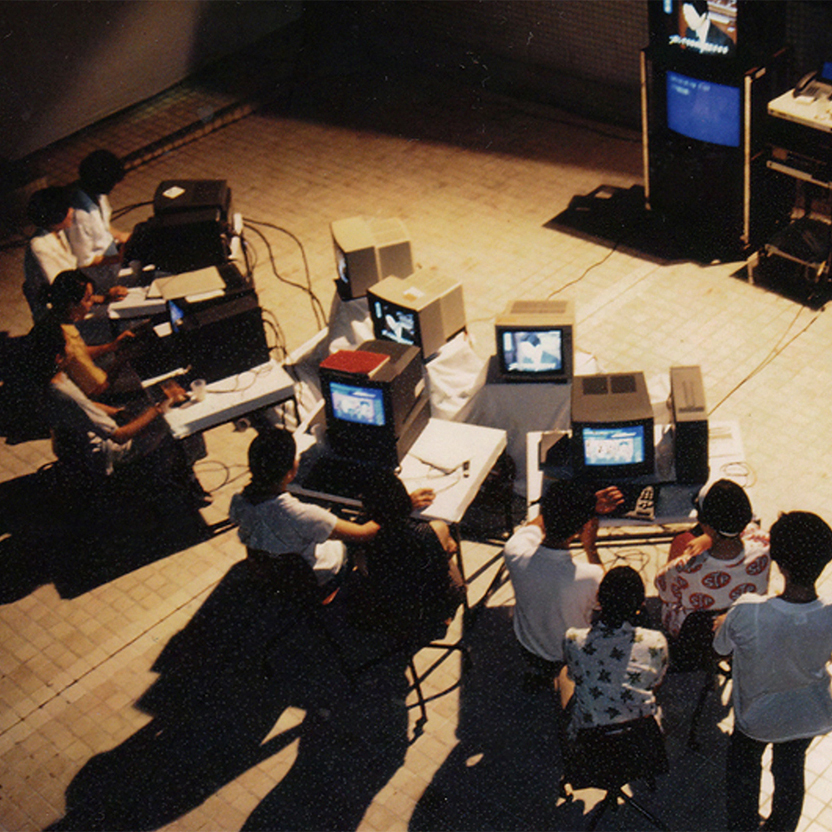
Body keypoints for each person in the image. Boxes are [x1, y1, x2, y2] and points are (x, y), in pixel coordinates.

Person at [715, 511, 832, 832]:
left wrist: (724, 622)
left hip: (756, 719)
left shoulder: (747, 610)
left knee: (743, 773)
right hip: (809, 714)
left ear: (779, 564)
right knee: (791, 772)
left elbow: (721, 648)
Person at [229, 427, 435, 592]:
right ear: (290, 472)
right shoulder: (302, 515)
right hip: (321, 576)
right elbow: (365, 533)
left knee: (336, 515)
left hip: (277, 574)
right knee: (369, 523)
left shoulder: (238, 502)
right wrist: (403, 505)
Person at [28, 320, 208, 505]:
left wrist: (119, 413)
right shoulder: (63, 392)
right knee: (179, 426)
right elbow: (120, 436)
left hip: (70, 446)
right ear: (58, 357)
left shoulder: (49, 378)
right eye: (68, 345)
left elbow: (87, 405)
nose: (74, 348)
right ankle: (185, 484)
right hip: (101, 451)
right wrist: (161, 406)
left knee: (141, 410)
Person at [502, 480, 623, 685]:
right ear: (584, 528)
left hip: (528, 648)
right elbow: (606, 599)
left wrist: (578, 505)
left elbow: (538, 522)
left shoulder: (514, 549)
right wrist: (590, 547)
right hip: (569, 656)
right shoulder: (591, 575)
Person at [347, 468, 466, 640]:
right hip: (426, 608)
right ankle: (442, 617)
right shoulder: (434, 530)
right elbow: (446, 547)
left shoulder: (359, 536)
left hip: (384, 606)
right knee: (447, 550)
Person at [655, 479, 770, 641]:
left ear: (706, 525)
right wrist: (710, 536)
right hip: (746, 624)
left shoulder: (684, 567)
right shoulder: (765, 545)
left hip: (697, 633)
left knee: (682, 540)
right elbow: (750, 530)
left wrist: (709, 537)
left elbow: (664, 592)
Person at [563, 566, 668, 737]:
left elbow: (575, 676)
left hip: (593, 736)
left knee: (563, 675)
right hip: (643, 735)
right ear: (641, 603)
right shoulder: (656, 641)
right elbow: (655, 683)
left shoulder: (573, 639)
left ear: (599, 599)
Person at [23, 186, 127, 323]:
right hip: (60, 316)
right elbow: (65, 292)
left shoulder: (58, 233)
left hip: (75, 304)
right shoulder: (39, 247)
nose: (72, 211)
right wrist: (104, 298)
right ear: (57, 215)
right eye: (68, 208)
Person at [45, 270, 138, 401]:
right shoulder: (67, 340)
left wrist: (110, 346)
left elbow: (79, 353)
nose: (91, 303)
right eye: (87, 299)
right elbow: (99, 389)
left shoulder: (53, 318)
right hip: (90, 395)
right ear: (71, 304)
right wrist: (122, 359)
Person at [67, 149, 132, 288]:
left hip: (112, 260)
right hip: (98, 279)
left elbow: (104, 226)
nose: (116, 186)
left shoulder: (98, 195)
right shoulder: (80, 217)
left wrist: (121, 235)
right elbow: (83, 260)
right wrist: (118, 258)